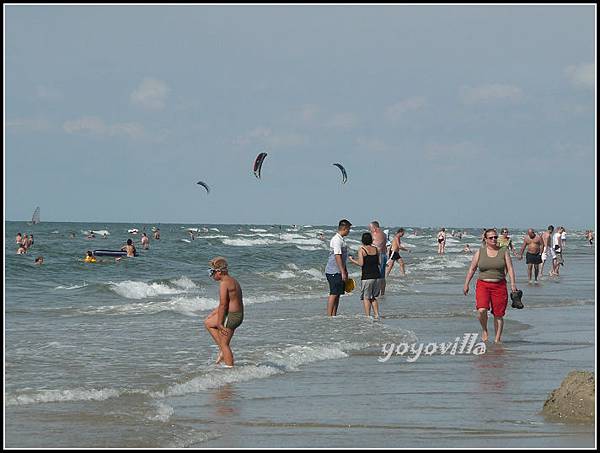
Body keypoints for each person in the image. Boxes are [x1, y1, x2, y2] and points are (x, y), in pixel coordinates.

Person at [463, 228, 519, 344]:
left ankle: (497, 340)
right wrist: (466, 284)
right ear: (485, 239)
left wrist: (513, 284)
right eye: (491, 237)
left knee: (498, 314)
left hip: (499, 285)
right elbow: (472, 269)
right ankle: (484, 330)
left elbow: (510, 268)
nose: (494, 239)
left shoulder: (504, 251)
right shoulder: (480, 252)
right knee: (481, 310)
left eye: (495, 237)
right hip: (483, 284)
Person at [203, 257, 244, 367]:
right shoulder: (233, 280)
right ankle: (222, 351)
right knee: (208, 322)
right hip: (236, 314)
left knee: (225, 344)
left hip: (232, 317)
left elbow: (223, 304)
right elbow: (228, 302)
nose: (211, 276)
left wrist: (220, 323)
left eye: (212, 272)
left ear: (219, 272)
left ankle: (230, 370)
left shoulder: (224, 284)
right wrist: (213, 314)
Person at [349, 232, 381, 320]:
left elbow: (361, 263)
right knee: (373, 297)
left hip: (367, 276)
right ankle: (377, 314)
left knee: (366, 297)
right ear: (371, 240)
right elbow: (379, 262)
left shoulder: (362, 249)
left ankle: (368, 316)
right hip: (377, 276)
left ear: (362, 240)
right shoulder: (376, 249)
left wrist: (352, 260)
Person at [325, 219, 352, 317]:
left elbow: (343, 258)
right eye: (348, 229)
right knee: (333, 293)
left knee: (338, 294)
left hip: (339, 271)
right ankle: (329, 316)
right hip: (333, 271)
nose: (349, 231)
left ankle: (334, 315)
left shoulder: (341, 239)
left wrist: (345, 271)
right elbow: (337, 256)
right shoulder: (336, 240)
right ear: (344, 228)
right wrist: (342, 272)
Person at [369, 221, 388, 296]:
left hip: (378, 256)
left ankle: (375, 293)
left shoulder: (375, 234)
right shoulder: (383, 234)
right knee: (382, 276)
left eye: (370, 228)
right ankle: (382, 293)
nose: (369, 229)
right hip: (383, 255)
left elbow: (374, 246)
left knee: (375, 276)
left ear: (375, 228)